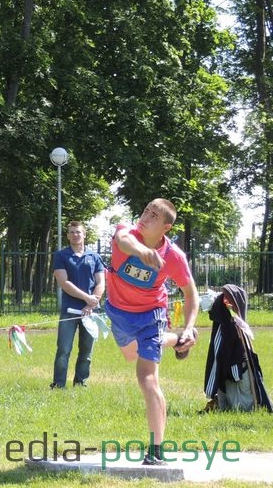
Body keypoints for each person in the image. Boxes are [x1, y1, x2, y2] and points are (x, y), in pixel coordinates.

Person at [104, 198, 198, 466]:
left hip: (151, 316)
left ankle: (155, 452)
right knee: (130, 354)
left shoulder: (173, 257)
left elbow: (190, 295)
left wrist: (190, 325)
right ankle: (178, 339)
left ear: (166, 227)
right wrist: (140, 252)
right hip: (118, 313)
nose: (145, 217)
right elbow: (124, 242)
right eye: (146, 210)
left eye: (154, 216)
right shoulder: (125, 232)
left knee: (147, 379)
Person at [51, 221, 105, 389]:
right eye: (72, 232)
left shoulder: (94, 257)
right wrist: (87, 298)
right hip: (69, 310)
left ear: (84, 234)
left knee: (86, 351)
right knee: (64, 350)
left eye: (78, 232)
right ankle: (58, 385)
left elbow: (101, 282)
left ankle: (81, 383)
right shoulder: (61, 256)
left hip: (90, 312)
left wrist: (91, 303)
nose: (75, 234)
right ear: (67, 236)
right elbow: (64, 282)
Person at [203, 284, 271, 412]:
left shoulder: (233, 325)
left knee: (243, 407)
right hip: (232, 374)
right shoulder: (226, 325)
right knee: (236, 403)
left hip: (238, 375)